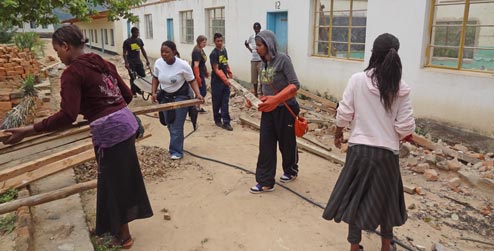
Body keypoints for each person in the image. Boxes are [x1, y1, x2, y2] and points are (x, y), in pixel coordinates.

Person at [2, 25, 153, 249]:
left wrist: (28, 130)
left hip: (110, 133)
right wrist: (107, 107)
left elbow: (67, 116)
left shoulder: (72, 72)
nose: (57, 56)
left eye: (57, 50)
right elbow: (127, 95)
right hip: (127, 125)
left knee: (113, 184)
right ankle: (111, 227)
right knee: (118, 179)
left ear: (66, 46)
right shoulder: (103, 63)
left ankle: (124, 237)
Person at [322, 33, 415, 251]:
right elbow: (405, 127)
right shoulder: (401, 88)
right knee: (386, 202)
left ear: (373, 53)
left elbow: (344, 113)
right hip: (387, 156)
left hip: (359, 152)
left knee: (356, 200)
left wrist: (338, 134)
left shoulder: (357, 80)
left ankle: (355, 247)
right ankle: (386, 246)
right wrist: (389, 132)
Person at [249, 30, 301, 194]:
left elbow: (294, 85)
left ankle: (291, 170)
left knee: (287, 143)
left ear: (269, 45)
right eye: (255, 45)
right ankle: (265, 181)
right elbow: (265, 88)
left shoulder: (283, 60)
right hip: (269, 110)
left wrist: (276, 99)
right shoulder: (261, 64)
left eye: (259, 45)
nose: (256, 49)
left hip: (286, 109)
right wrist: (255, 99)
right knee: (266, 145)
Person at [151, 41, 204, 160]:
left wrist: (198, 94)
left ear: (174, 52)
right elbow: (155, 78)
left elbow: (192, 80)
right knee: (168, 123)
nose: (164, 54)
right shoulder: (158, 63)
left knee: (176, 125)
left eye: (167, 52)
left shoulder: (183, 65)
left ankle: (176, 151)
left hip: (181, 96)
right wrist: (154, 92)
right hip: (165, 96)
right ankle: (176, 143)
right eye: (162, 52)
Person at [209, 33, 234, 131]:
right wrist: (225, 79)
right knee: (217, 101)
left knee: (225, 101)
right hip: (216, 81)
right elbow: (216, 69)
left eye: (221, 40)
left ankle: (226, 122)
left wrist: (229, 73)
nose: (219, 43)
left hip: (224, 81)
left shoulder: (224, 51)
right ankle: (217, 119)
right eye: (217, 41)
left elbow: (225, 63)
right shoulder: (213, 54)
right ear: (214, 42)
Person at [123, 27, 150, 97]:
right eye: (136, 32)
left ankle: (138, 89)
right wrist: (126, 63)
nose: (137, 34)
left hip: (138, 61)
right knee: (133, 77)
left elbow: (143, 50)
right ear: (132, 33)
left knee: (142, 76)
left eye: (138, 32)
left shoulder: (139, 41)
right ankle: (133, 92)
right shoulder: (127, 42)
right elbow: (124, 53)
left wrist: (147, 60)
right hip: (131, 62)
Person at [191, 35, 209, 113]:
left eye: (205, 42)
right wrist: (198, 77)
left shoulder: (201, 50)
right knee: (202, 91)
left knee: (200, 91)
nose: (205, 44)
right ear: (199, 42)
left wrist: (206, 71)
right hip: (197, 74)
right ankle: (195, 107)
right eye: (204, 42)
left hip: (201, 72)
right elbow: (196, 66)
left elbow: (202, 62)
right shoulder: (197, 51)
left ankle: (196, 107)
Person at [244, 22, 262, 97]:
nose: (257, 30)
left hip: (261, 59)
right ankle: (255, 92)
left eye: (258, 29)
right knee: (254, 78)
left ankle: (262, 92)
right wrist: (250, 49)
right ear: (254, 29)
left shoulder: (262, 36)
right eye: (255, 29)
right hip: (253, 59)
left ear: (260, 29)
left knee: (262, 78)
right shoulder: (252, 37)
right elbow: (247, 44)